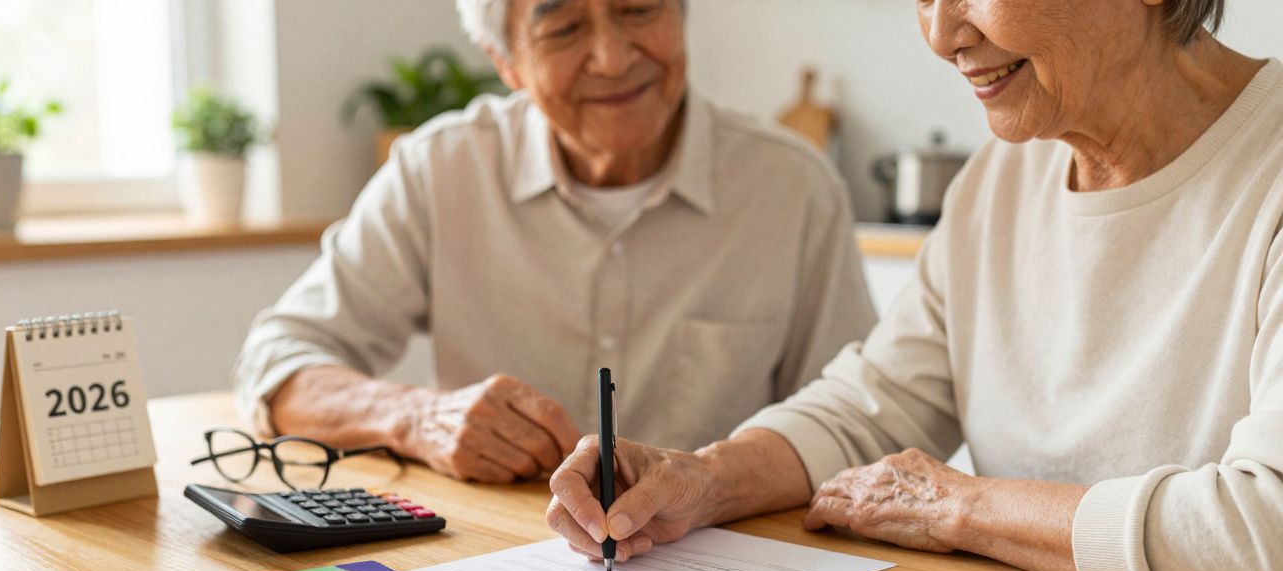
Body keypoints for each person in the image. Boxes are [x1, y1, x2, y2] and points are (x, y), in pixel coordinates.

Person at [547, 0, 1283, 571]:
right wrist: (704, 478)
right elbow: (876, 403)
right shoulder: (1003, 173)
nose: (940, 34)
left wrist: (965, 510)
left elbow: (1269, 534)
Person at [232, 0, 876, 484]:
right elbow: (277, 362)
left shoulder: (794, 188)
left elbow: (858, 428)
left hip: (728, 568)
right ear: (505, 62)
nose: (614, 57)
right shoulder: (440, 170)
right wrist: (416, 418)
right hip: (491, 565)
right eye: (564, 28)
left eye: (638, 9)